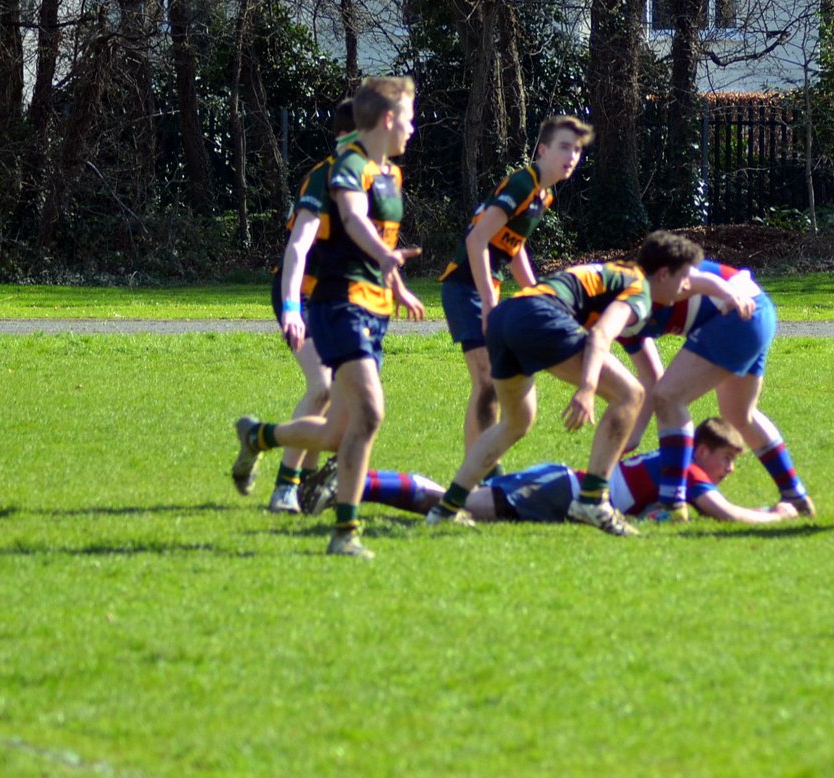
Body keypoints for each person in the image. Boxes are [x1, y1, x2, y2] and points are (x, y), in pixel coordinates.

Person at [230, 76, 427, 559]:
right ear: (386, 119)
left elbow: (378, 239)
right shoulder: (342, 170)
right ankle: (340, 527)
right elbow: (326, 234)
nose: (413, 127)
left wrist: (396, 283)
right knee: (362, 410)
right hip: (334, 304)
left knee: (338, 431)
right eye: (409, 117)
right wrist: (290, 307)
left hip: (374, 308)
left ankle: (259, 436)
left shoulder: (391, 174)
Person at [422, 230, 703, 537]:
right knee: (630, 394)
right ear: (662, 274)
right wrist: (587, 387)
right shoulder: (641, 290)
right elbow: (601, 335)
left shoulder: (620, 271)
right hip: (540, 316)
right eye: (684, 278)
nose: (686, 287)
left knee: (516, 422)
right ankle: (592, 500)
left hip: (507, 315)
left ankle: (445, 509)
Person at [620, 237, 815, 521]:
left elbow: (691, 276)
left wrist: (727, 293)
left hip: (741, 312)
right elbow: (651, 378)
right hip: (755, 310)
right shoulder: (620, 319)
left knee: (670, 397)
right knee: (739, 414)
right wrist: (632, 437)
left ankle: (672, 504)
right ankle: (795, 495)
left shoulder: (631, 288)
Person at [438, 115, 592, 461]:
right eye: (564, 147)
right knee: (487, 382)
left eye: (577, 150)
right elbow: (477, 240)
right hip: (464, 287)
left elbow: (513, 247)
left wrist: (538, 295)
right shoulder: (523, 184)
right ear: (543, 150)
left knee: (490, 384)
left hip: (480, 288)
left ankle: (478, 471)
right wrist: (488, 304)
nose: (571, 156)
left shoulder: (542, 195)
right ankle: (477, 473)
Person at [307, 419, 799, 525]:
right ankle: (353, 484)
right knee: (457, 505)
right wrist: (776, 513)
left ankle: (355, 484)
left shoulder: (677, 465)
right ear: (704, 450)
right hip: (558, 489)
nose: (730, 469)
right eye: (727, 458)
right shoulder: (690, 472)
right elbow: (726, 515)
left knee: (460, 505)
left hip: (557, 484)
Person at [264, 99, 356, 513]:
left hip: (335, 299)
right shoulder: (324, 177)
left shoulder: (373, 180)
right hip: (301, 294)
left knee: (340, 399)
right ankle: (284, 486)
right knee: (322, 388)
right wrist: (290, 306)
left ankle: (307, 482)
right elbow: (298, 248)